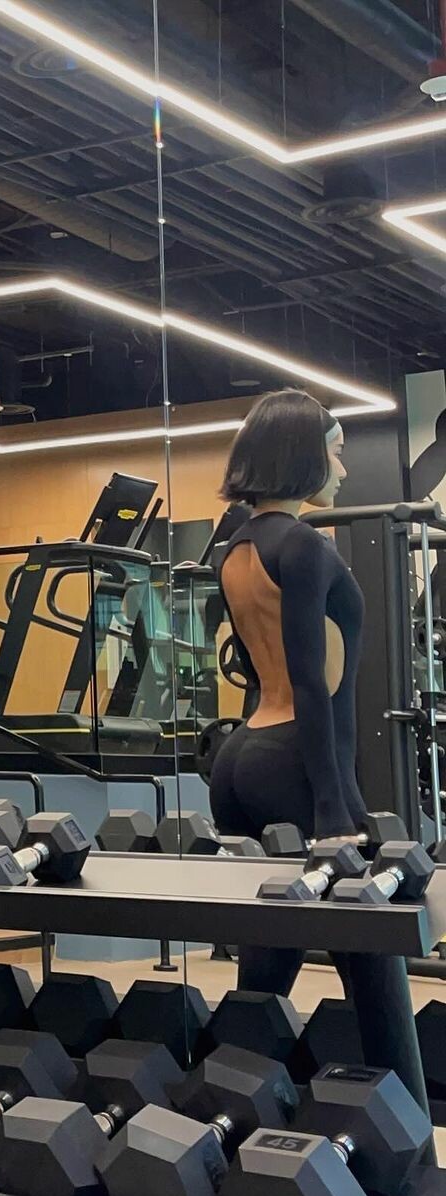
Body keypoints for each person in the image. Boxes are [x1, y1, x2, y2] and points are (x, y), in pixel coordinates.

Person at [209, 387, 366, 995]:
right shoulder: (304, 545)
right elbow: (309, 682)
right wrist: (333, 806)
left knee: (269, 959)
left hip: (243, 756)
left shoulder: (236, 546)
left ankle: (243, 1053)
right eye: (337, 451)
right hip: (300, 759)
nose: (343, 469)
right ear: (304, 454)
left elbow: (258, 671)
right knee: (370, 955)